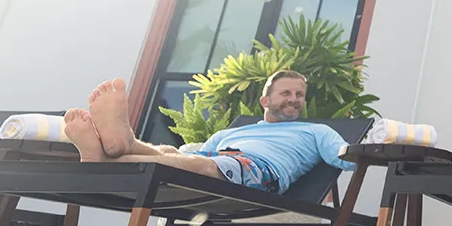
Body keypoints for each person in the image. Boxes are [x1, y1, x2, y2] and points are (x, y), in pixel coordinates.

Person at [60, 73, 353, 192]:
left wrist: (388, 144)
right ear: (265, 101)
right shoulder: (236, 131)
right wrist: (166, 153)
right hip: (221, 160)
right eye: (286, 92)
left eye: (299, 94)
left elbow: (348, 157)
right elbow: (196, 154)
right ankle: (124, 143)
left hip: (259, 170)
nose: (294, 98)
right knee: (175, 153)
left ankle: (106, 157)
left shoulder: (316, 131)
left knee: (198, 164)